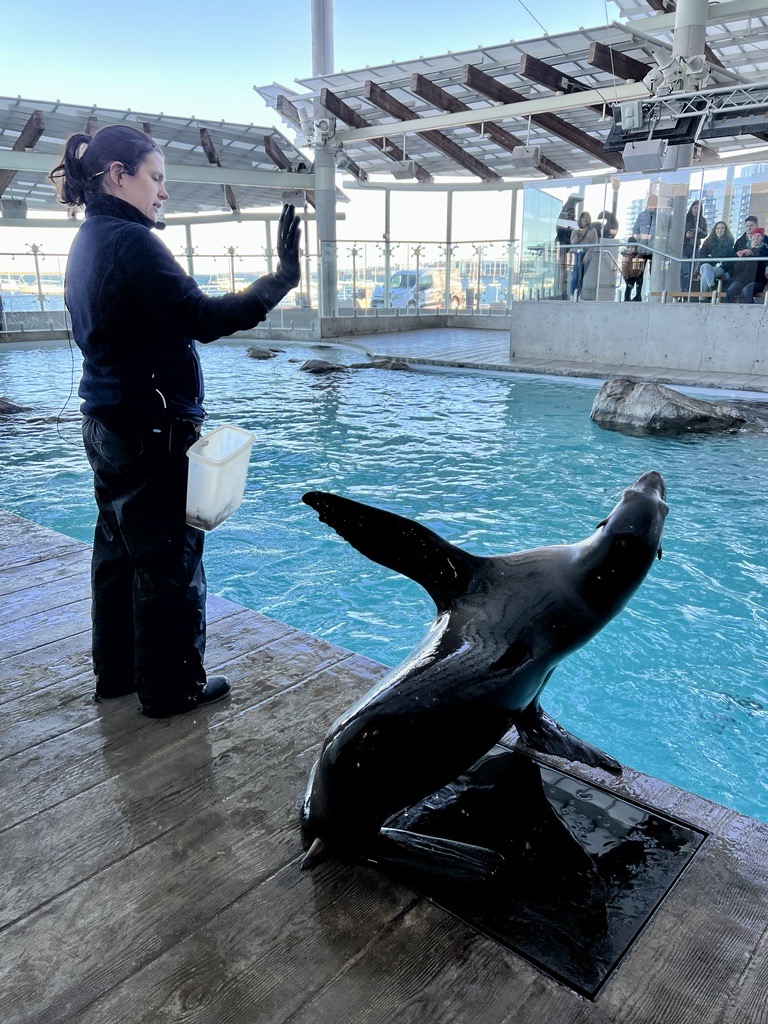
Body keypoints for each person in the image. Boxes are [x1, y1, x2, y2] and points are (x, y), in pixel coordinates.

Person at [49, 125, 301, 718]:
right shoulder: (133, 243)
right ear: (118, 174)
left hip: (106, 424)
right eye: (156, 178)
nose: (163, 192)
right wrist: (279, 282)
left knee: (116, 554)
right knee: (169, 563)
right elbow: (201, 317)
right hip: (151, 432)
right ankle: (171, 687)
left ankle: (117, 675)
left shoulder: (89, 240)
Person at [725, 227, 768, 304]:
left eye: (759, 236)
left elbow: (764, 261)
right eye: (754, 235)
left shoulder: (764, 250)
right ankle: (727, 310)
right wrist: (738, 255)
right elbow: (733, 265)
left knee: (747, 290)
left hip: (757, 281)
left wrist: (753, 252)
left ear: (762, 238)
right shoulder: (743, 250)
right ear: (751, 237)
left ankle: (748, 312)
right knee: (731, 289)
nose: (756, 238)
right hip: (742, 280)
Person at [698, 221, 735, 298]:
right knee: (706, 267)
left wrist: (711, 256)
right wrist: (712, 258)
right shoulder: (709, 240)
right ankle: (712, 287)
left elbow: (724, 254)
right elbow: (701, 254)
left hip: (720, 267)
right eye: (717, 228)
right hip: (707, 265)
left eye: (722, 228)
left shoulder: (729, 241)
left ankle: (702, 298)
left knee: (705, 275)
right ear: (714, 230)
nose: (719, 230)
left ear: (725, 230)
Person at [569, 211, 598, 300]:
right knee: (576, 275)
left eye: (587, 217)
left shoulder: (593, 231)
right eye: (583, 217)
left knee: (582, 276)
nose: (585, 219)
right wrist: (579, 237)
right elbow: (572, 242)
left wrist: (587, 257)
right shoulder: (575, 230)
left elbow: (594, 244)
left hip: (587, 255)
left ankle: (578, 295)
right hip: (578, 254)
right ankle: (572, 295)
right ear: (580, 219)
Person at [680, 200, 707, 293]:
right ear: (691, 208)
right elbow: (678, 232)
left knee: (692, 272)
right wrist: (685, 236)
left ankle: (688, 292)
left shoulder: (703, 220)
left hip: (695, 248)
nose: (696, 210)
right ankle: (684, 291)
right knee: (685, 271)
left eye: (698, 208)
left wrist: (699, 231)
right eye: (694, 208)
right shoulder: (685, 218)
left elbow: (705, 234)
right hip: (684, 247)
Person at [620, 237, 646, 301]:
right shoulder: (627, 256)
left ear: (635, 247)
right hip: (630, 276)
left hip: (638, 275)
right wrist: (626, 276)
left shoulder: (638, 255)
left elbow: (641, 265)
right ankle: (627, 299)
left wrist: (640, 272)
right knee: (629, 288)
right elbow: (624, 267)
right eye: (629, 247)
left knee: (639, 287)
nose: (630, 249)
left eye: (632, 247)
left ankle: (638, 298)